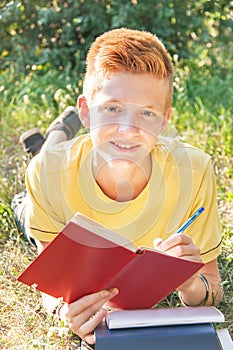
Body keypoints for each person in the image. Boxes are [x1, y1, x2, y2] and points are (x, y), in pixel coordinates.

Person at [15, 28, 223, 348]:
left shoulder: (195, 171)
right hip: (43, 187)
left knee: (53, 154)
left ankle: (57, 132)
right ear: (87, 110)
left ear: (164, 120)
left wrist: (190, 283)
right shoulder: (47, 172)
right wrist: (63, 309)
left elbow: (211, 287)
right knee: (39, 171)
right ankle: (58, 133)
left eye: (147, 113)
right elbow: (51, 285)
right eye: (112, 108)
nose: (129, 129)